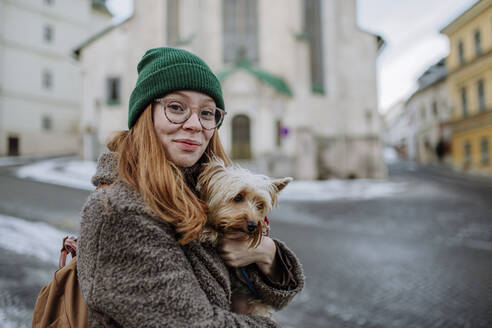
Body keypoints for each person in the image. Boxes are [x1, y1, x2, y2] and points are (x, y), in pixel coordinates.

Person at [77, 47, 304, 327]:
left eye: (207, 112)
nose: (195, 124)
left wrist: (266, 252)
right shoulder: (117, 212)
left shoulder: (200, 191)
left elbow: (278, 296)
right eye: (176, 107)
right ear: (145, 115)